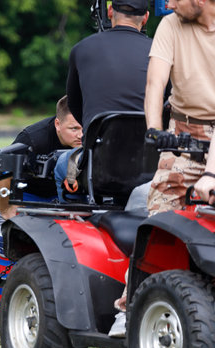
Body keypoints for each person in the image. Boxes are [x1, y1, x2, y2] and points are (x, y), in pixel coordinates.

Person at [0, 95, 83, 323]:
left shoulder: (90, 138)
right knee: (5, 244)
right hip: (27, 195)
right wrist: (7, 211)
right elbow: (3, 177)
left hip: (66, 196)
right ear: (58, 124)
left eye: (83, 128)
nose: (80, 135)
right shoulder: (32, 138)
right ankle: (4, 309)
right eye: (74, 128)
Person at [55, 0, 151, 201]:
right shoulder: (158, 51)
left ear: (109, 12)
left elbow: (74, 105)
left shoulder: (82, 49)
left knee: (60, 165)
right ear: (146, 17)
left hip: (97, 164)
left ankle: (76, 219)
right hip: (149, 165)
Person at [145, 0, 215, 215]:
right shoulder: (170, 24)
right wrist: (155, 130)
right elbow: (155, 83)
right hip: (183, 140)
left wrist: (211, 175)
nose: (170, 4)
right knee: (160, 218)